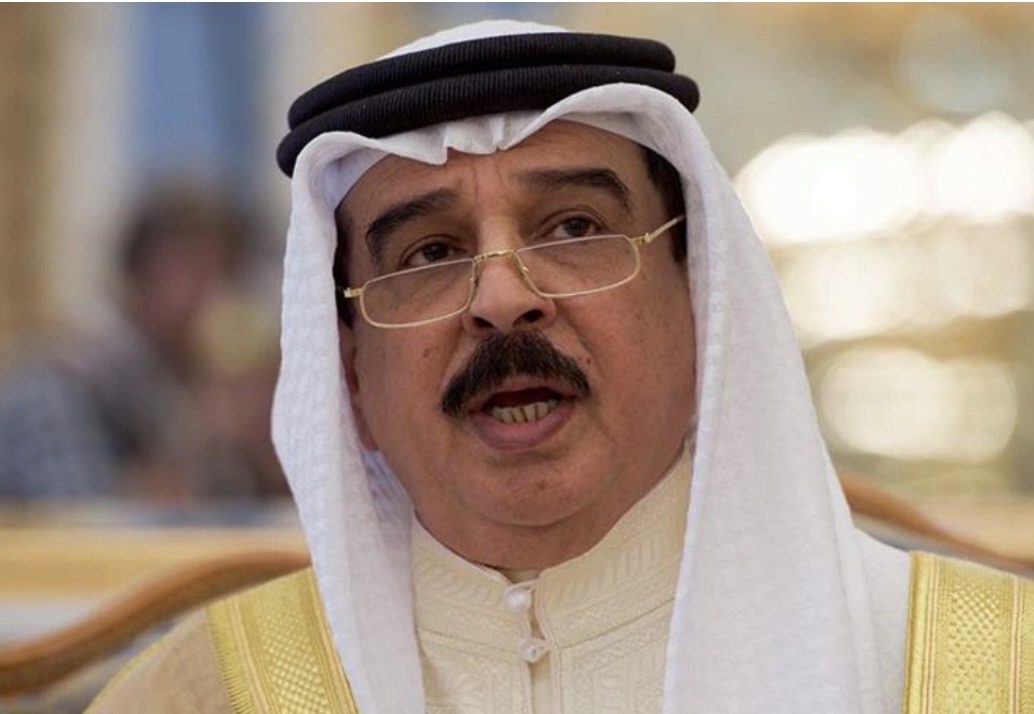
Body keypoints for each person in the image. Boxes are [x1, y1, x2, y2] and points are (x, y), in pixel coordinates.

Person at [88, 20, 1034, 714]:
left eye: (575, 228)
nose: (503, 299)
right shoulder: (198, 696)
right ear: (350, 380)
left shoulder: (985, 674)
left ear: (702, 311)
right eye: (429, 253)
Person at [0, 185, 278, 501]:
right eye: (190, 267)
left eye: (225, 271)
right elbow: (79, 519)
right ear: (136, 274)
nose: (212, 292)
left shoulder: (191, 381)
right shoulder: (59, 386)